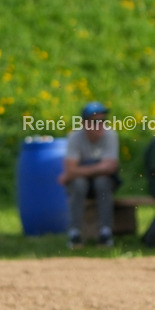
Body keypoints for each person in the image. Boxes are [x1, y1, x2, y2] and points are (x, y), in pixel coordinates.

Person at [60, 101, 120, 249]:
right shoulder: (75, 137)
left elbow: (111, 167)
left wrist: (80, 169)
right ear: (85, 123)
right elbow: (70, 170)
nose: (100, 125)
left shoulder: (110, 135)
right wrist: (100, 166)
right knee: (79, 184)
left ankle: (105, 233)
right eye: (95, 121)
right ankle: (74, 233)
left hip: (102, 183)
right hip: (81, 184)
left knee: (102, 182)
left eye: (103, 121)